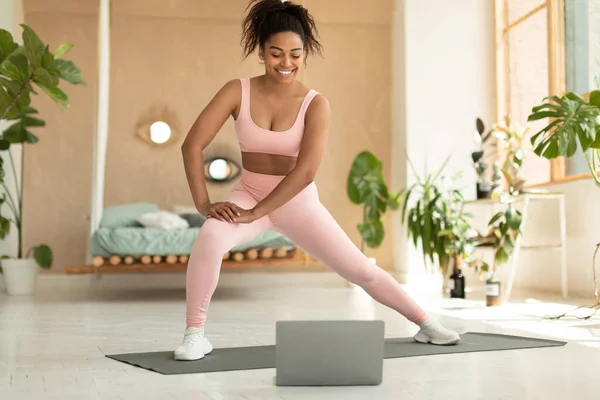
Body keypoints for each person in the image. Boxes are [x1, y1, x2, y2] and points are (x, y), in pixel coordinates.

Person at [175, 0, 460, 361]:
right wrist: (204, 204)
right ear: (261, 52)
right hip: (247, 193)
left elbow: (306, 171)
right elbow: (192, 144)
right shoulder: (237, 90)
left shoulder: (315, 103)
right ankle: (194, 335)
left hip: (297, 202)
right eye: (276, 53)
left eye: (295, 54)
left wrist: (257, 212)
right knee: (211, 237)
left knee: (358, 269)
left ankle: (425, 323)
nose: (286, 63)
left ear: (305, 53)